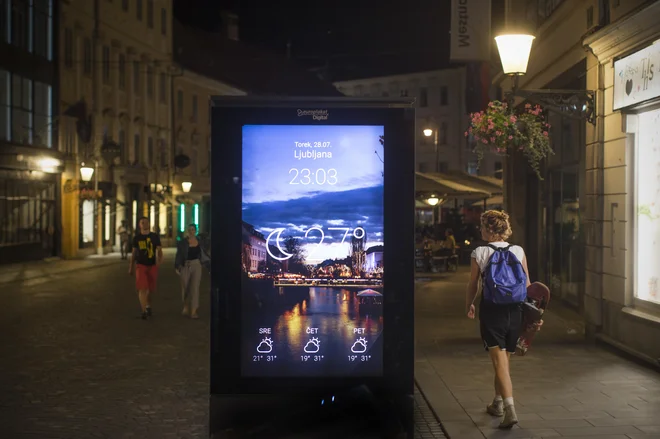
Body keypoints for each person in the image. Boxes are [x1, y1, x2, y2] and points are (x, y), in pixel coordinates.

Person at [465, 210, 530, 429]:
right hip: (516, 311)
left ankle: (510, 410)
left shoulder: (479, 252)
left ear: (490, 229)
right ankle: (498, 402)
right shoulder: (518, 250)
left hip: (492, 310)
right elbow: (528, 286)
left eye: (482, 226)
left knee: (498, 360)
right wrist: (531, 317)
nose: (480, 230)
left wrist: (469, 304)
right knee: (504, 360)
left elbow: (473, 283)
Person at [129, 217, 163, 320]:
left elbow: (159, 249)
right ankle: (143, 311)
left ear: (149, 224)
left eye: (146, 222)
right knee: (142, 288)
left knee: (150, 289)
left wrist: (159, 260)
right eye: (142, 222)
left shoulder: (154, 236)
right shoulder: (137, 238)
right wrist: (131, 267)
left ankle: (148, 306)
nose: (144, 224)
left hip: (152, 265)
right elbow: (134, 253)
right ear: (139, 225)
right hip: (141, 265)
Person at [175, 224, 210, 319]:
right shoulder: (182, 243)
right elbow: (179, 255)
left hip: (196, 265)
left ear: (196, 231)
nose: (191, 231)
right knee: (185, 287)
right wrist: (177, 266)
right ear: (187, 231)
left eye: (193, 229)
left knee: (195, 288)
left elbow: (205, 252)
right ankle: (186, 306)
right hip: (185, 265)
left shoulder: (200, 242)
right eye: (190, 230)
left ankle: (194, 310)